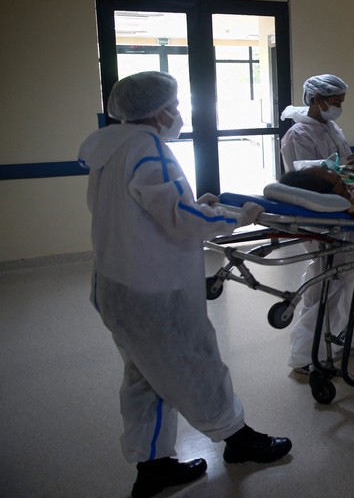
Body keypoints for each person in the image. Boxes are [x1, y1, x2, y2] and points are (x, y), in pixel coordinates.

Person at [78, 71, 292, 498]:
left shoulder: (108, 149)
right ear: (158, 113)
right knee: (196, 365)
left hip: (115, 287)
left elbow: (144, 209)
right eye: (174, 107)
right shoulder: (149, 149)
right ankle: (237, 438)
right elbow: (180, 219)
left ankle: (153, 466)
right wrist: (236, 217)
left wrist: (197, 204)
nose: (177, 114)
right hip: (154, 291)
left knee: (146, 376)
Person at [279, 74, 354, 373]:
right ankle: (305, 355)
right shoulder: (298, 135)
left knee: (351, 280)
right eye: (334, 103)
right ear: (315, 99)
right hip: (319, 216)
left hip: (345, 212)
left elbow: (338, 162)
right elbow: (307, 176)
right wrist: (343, 166)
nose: (338, 108)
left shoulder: (331, 127)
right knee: (325, 283)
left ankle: (338, 341)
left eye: (341, 103)